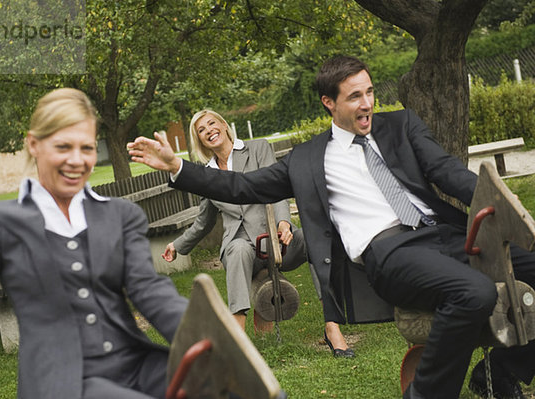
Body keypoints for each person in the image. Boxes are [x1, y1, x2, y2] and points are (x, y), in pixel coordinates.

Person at [128, 55, 535, 399]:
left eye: (370, 91)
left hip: (444, 234)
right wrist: (179, 167)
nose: (367, 103)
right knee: (475, 292)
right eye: (355, 96)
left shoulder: (402, 125)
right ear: (329, 102)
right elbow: (242, 185)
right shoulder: (306, 159)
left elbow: (447, 173)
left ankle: (502, 366)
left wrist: (497, 200)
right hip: (389, 252)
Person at [0, 88, 188, 399]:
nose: (76, 160)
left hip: (134, 367)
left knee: (217, 387)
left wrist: (200, 336)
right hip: (59, 383)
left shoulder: (121, 216)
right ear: (34, 144)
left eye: (86, 148)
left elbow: (149, 290)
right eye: (63, 147)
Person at [163, 109, 351, 353]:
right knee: (239, 248)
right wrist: (177, 246)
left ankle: (332, 326)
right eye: (201, 129)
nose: (209, 130)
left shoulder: (258, 148)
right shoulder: (206, 174)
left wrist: (284, 222)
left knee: (313, 239)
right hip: (243, 247)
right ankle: (237, 342)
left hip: (276, 237)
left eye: (212, 123)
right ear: (198, 140)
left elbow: (278, 187)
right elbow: (203, 222)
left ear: (223, 125)